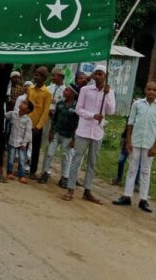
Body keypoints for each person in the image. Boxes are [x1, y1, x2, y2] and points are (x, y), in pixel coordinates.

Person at [63, 64, 116, 203]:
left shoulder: (109, 92)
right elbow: (79, 109)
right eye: (96, 74)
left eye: (101, 74)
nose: (98, 76)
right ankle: (71, 189)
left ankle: (87, 191)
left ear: (105, 76)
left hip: (97, 132)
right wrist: (93, 115)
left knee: (92, 163)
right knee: (76, 160)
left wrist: (107, 95)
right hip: (83, 130)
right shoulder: (86, 90)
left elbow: (110, 111)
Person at [113, 82, 156, 212]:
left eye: (154, 90)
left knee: (145, 171)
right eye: (149, 89)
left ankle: (143, 199)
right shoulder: (137, 104)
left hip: (149, 143)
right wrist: (128, 141)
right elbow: (130, 123)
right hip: (135, 142)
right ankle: (127, 196)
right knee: (132, 168)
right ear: (145, 90)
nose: (151, 92)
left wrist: (155, 146)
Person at [39, 84, 79, 186]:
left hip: (69, 136)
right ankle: (45, 173)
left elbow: (78, 124)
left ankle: (64, 178)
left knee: (66, 156)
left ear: (73, 94)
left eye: (67, 91)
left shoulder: (77, 107)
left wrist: (74, 139)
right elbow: (54, 119)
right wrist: (51, 131)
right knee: (49, 153)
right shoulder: (60, 104)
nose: (64, 92)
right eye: (65, 90)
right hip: (56, 133)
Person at [27, 66, 52, 179]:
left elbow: (45, 111)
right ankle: (23, 168)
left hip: (37, 125)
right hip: (27, 122)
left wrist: (39, 126)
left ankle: (32, 171)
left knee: (35, 149)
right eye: (35, 74)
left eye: (38, 75)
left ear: (44, 78)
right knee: (25, 145)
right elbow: (27, 104)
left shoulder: (47, 92)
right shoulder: (30, 89)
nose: (35, 76)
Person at [5, 101, 34, 183]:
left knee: (22, 160)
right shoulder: (13, 114)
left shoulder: (28, 120)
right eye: (22, 102)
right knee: (10, 158)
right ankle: (9, 172)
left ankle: (22, 176)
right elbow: (5, 116)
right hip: (12, 140)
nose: (21, 104)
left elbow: (28, 133)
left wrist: (24, 143)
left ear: (28, 110)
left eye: (25, 104)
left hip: (21, 143)